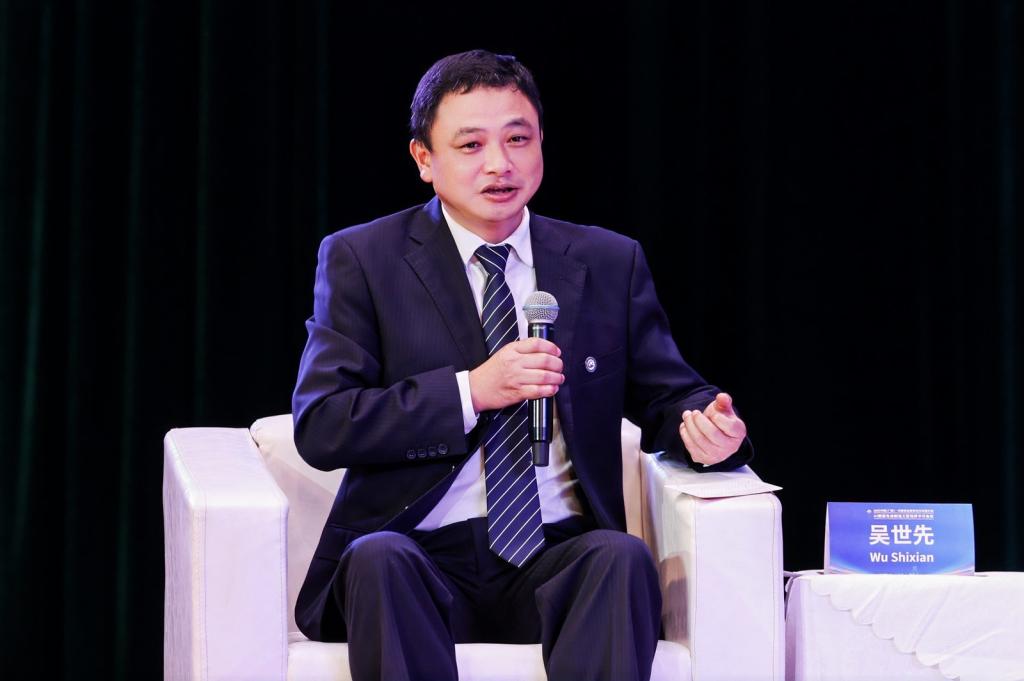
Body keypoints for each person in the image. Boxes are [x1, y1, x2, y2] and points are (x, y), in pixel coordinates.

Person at [291, 49, 753, 681]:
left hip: (556, 555)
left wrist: (707, 429)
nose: (499, 164)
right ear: (424, 159)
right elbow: (323, 424)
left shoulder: (607, 261)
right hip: (418, 554)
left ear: (540, 144)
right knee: (379, 559)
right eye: (471, 145)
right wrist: (472, 391)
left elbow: (669, 397)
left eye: (517, 139)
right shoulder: (363, 259)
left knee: (621, 557)